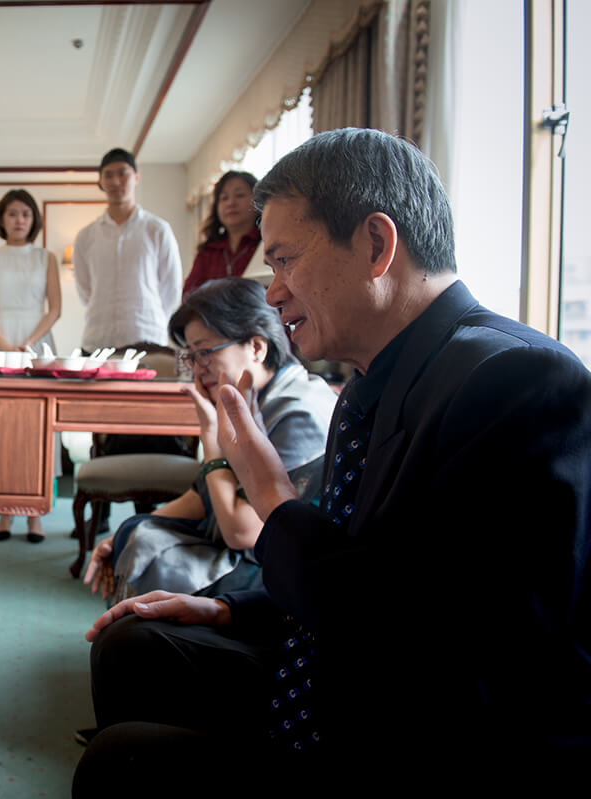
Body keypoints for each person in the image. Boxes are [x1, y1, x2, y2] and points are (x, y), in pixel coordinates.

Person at [73, 129, 591, 789]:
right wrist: (231, 609)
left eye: (285, 260)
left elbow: (432, 645)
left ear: (375, 245)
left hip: (421, 729)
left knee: (116, 764)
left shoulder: (519, 382)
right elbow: (369, 564)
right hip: (337, 667)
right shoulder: (372, 379)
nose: (272, 294)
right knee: (130, 646)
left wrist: (270, 494)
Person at [82, 278, 336, 603]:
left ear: (257, 347)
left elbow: (241, 532)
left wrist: (213, 440)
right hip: (238, 540)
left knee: (153, 553)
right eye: (191, 357)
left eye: (206, 353)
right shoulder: (255, 397)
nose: (198, 370)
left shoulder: (299, 412)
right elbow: (202, 496)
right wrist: (118, 534)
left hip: (283, 567)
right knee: (136, 531)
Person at [0, 188, 61, 542]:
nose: (19, 220)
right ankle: (4, 512)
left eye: (25, 213)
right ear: (1, 219)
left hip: (38, 345)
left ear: (34, 219)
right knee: (2, 429)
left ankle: (36, 514)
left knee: (38, 427)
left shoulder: (47, 258)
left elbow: (54, 308)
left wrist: (29, 343)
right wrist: (6, 345)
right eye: (12, 213)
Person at [73, 147, 181, 354]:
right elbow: (85, 291)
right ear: (100, 182)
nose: (116, 181)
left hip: (147, 338)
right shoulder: (86, 236)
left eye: (123, 173)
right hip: (97, 340)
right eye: (108, 175)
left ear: (136, 177)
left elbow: (171, 288)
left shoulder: (157, 229)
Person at [180, 171, 267, 299]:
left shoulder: (267, 244)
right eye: (224, 198)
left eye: (240, 195)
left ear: (257, 201)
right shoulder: (208, 251)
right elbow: (189, 295)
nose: (231, 203)